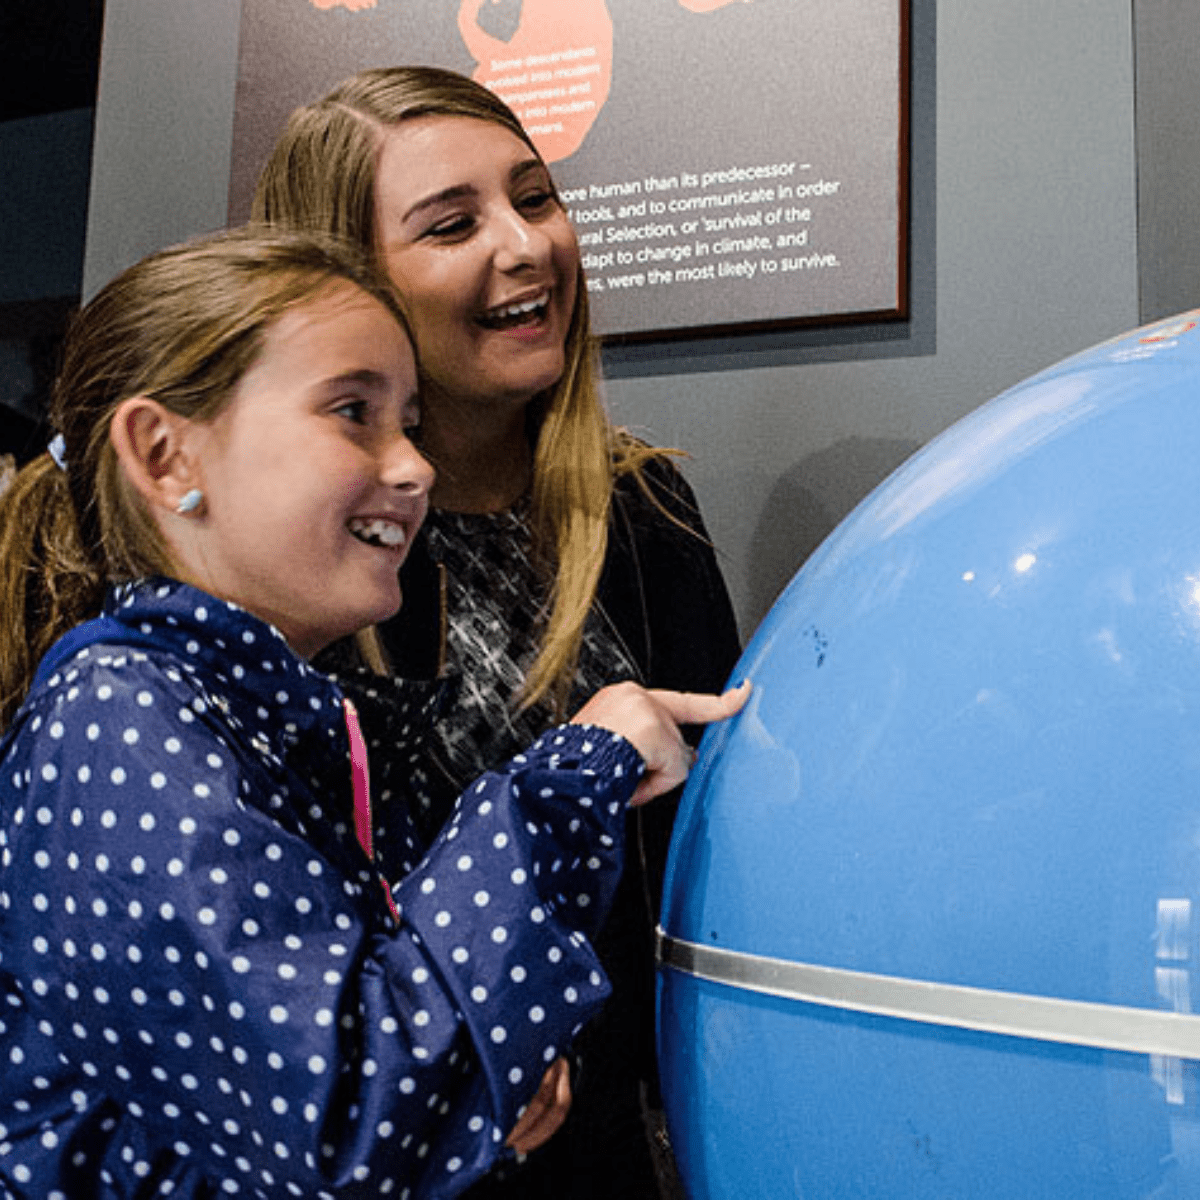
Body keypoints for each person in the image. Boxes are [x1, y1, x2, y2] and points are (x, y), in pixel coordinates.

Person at [0, 227, 748, 1199]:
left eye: (409, 422)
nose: (414, 467)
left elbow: (381, 1053)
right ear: (164, 454)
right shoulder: (119, 718)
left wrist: (484, 1073)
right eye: (353, 413)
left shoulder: (262, 713)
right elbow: (348, 1120)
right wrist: (564, 785)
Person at [253, 66, 742, 1198]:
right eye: (452, 224)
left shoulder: (643, 507)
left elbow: (712, 844)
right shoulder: (293, 559)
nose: (526, 247)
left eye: (535, 198)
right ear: (347, 283)